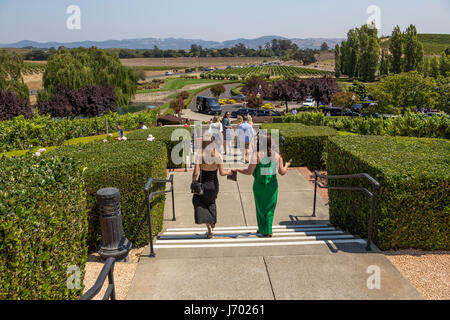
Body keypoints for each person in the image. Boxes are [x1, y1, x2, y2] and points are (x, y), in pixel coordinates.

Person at [232, 135, 291, 237]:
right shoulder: (277, 156)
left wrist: (237, 169)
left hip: (259, 186)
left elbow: (249, 171)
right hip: (272, 187)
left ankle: (265, 230)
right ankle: (266, 229)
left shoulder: (257, 155)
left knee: (260, 208)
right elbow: (282, 172)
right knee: (269, 209)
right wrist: (286, 165)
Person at [192, 134, 233, 239]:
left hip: (203, 184)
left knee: (199, 202)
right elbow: (222, 173)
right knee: (211, 203)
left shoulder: (199, 155)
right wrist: (230, 172)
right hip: (214, 184)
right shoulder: (218, 155)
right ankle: (212, 221)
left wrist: (194, 182)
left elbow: (196, 173)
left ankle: (210, 229)